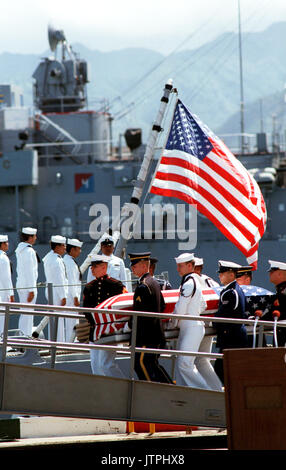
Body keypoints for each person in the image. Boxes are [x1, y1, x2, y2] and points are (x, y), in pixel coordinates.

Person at [173, 253, 222, 390]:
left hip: (191, 325)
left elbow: (180, 309)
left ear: (190, 266)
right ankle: (214, 389)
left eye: (180, 266)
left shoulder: (189, 283)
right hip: (194, 324)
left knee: (184, 363)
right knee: (194, 362)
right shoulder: (197, 282)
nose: (178, 269)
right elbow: (204, 305)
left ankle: (204, 390)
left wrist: (172, 323)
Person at [128, 252, 173, 384]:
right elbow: (163, 305)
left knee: (141, 365)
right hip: (156, 334)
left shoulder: (143, 286)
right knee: (152, 365)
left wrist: (130, 325)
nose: (132, 269)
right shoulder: (153, 282)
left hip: (145, 337)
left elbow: (138, 313)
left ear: (143, 266)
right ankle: (169, 388)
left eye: (134, 266)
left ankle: (153, 393)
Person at [82, 254, 126, 378]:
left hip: (109, 331)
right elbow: (86, 309)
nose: (92, 269)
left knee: (106, 364)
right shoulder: (89, 287)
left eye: (94, 267)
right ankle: (101, 391)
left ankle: (120, 385)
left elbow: (121, 308)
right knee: (95, 365)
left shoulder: (116, 286)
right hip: (95, 330)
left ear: (103, 267)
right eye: (92, 267)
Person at [213, 260, 248, 384]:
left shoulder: (230, 293)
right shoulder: (237, 290)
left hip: (231, 338)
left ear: (232, 275)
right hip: (236, 336)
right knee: (229, 370)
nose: (219, 275)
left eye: (222, 273)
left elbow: (221, 316)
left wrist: (213, 324)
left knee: (221, 369)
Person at [43, 235, 68, 341]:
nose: (65, 247)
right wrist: (63, 296)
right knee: (59, 319)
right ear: (57, 247)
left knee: (53, 318)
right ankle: (59, 343)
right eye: (63, 245)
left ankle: (53, 341)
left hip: (50, 291)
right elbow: (59, 279)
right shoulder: (57, 261)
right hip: (57, 293)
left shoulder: (49, 257)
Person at [16, 227, 39, 336]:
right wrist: (31, 289)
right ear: (30, 238)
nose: (35, 238)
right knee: (28, 314)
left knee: (25, 313)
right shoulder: (29, 251)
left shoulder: (21, 249)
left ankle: (23, 336)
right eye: (34, 236)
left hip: (22, 285)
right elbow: (30, 271)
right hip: (28, 287)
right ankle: (26, 338)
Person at [63, 238, 83, 342]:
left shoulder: (68, 261)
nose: (80, 251)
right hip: (71, 297)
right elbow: (71, 281)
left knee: (72, 320)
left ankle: (70, 341)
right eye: (79, 249)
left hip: (71, 296)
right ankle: (70, 342)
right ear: (73, 249)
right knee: (72, 321)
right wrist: (75, 297)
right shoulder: (70, 263)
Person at [268, 260, 286, 346]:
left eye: (272, 272)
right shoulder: (281, 290)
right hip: (280, 329)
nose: (269, 274)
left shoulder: (283, 291)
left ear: (280, 274)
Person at [0, 235, 14, 334]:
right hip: (3, 294)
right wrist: (11, 295)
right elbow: (6, 279)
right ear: (2, 244)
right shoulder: (3, 258)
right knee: (2, 320)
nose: (8, 244)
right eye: (6, 242)